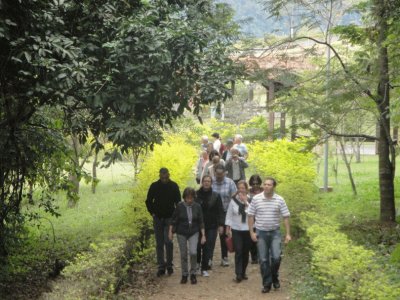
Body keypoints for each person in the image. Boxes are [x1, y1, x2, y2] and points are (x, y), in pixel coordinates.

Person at [248, 177, 291, 294]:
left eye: (269, 185)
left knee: (276, 257)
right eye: (265, 184)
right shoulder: (256, 199)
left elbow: (286, 217)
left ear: (274, 186)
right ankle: (267, 283)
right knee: (263, 259)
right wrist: (252, 232)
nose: (266, 186)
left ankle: (274, 276)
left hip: (275, 233)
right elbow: (250, 215)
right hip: (261, 233)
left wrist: (288, 234)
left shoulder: (280, 199)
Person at [145, 168, 181, 277]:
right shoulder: (154, 186)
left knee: (168, 242)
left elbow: (178, 202)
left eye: (166, 176)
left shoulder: (174, 186)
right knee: (159, 243)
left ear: (169, 175)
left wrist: (175, 217)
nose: (164, 178)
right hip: (158, 218)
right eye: (162, 176)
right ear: (159, 175)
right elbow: (148, 201)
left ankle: (169, 264)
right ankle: (161, 266)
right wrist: (153, 213)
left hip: (169, 218)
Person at [169, 187, 206, 284]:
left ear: (194, 197)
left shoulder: (197, 206)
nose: (189, 200)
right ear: (184, 197)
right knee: (183, 254)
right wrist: (170, 232)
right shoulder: (179, 206)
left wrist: (203, 235)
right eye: (187, 198)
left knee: (193, 252)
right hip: (181, 232)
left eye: (191, 198)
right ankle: (184, 274)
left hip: (194, 232)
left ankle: (193, 273)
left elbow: (201, 221)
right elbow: (173, 219)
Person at [195, 175, 224, 276]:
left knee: (208, 246)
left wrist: (221, 225)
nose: (206, 183)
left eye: (208, 181)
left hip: (212, 224)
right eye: (205, 181)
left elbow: (220, 210)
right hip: (198, 225)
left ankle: (204, 268)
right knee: (198, 246)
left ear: (211, 183)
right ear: (202, 182)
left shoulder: (216, 195)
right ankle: (197, 263)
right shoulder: (196, 195)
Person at [225, 180, 252, 283]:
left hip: (248, 229)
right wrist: (228, 227)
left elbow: (252, 214)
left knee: (245, 252)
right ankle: (238, 274)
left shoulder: (252, 200)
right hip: (236, 229)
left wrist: (245, 202)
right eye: (239, 188)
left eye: (243, 188)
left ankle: (244, 271)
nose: (241, 190)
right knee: (239, 251)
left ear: (246, 189)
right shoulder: (233, 200)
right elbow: (229, 214)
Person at [211, 165, 237, 266]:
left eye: (221, 175)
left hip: (226, 212)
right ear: (215, 173)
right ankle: (209, 259)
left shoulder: (230, 182)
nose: (219, 177)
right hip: (213, 213)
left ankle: (224, 257)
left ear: (224, 173)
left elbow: (235, 196)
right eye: (217, 175)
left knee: (224, 235)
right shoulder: (211, 182)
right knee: (211, 236)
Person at [248, 174, 264, 264]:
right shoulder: (248, 192)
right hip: (251, 217)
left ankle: (261, 255)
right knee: (252, 237)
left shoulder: (264, 191)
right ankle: (254, 257)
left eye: (257, 183)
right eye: (253, 183)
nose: (255, 185)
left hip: (262, 217)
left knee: (261, 237)